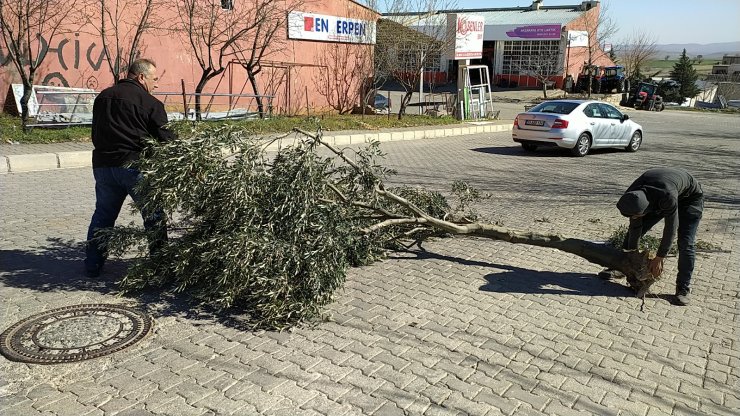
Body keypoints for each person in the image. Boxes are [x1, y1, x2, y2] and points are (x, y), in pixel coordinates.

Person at [84, 58, 175, 278]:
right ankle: (160, 266)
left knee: (103, 216)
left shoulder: (102, 97)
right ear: (141, 77)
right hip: (136, 167)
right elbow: (167, 140)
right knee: (153, 217)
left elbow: (95, 133)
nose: (157, 84)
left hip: (104, 166)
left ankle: (92, 265)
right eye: (155, 79)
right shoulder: (151, 104)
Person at [614, 167, 704, 306]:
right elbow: (635, 228)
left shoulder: (667, 196)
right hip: (656, 196)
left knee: (686, 242)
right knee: (636, 229)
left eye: (637, 215)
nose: (635, 218)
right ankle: (620, 267)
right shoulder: (632, 196)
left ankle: (683, 288)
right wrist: (632, 258)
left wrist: (660, 257)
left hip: (689, 198)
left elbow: (670, 229)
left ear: (644, 209)